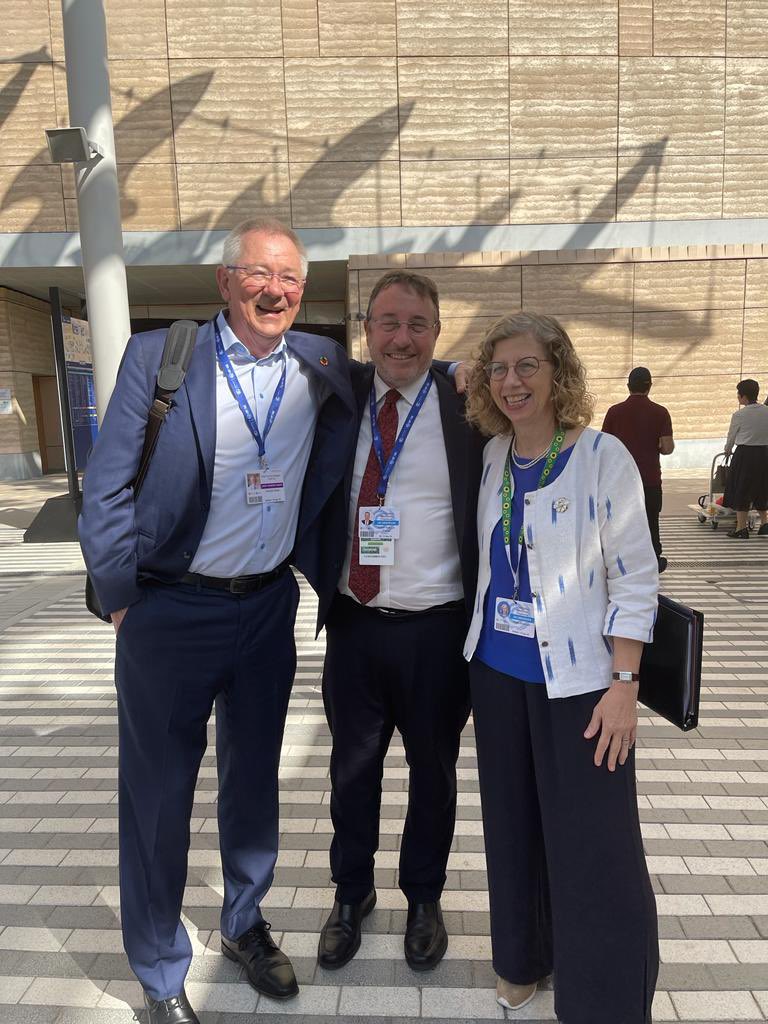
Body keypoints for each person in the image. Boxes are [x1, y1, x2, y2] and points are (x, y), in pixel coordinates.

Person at [79, 218, 356, 1024]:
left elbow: (406, 372)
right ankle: (162, 973)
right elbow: (106, 489)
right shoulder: (160, 358)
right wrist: (123, 595)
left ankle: (242, 922)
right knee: (159, 796)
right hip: (170, 609)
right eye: (260, 276)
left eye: (291, 281)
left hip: (268, 606)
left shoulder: (322, 365)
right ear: (226, 283)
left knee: (253, 784)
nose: (276, 291)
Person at [463, 313, 659, 1024]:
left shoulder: (601, 456)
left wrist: (624, 685)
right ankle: (522, 960)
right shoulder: (492, 457)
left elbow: (636, 576)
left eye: (527, 367)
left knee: (595, 847)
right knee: (511, 830)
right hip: (496, 672)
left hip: (581, 686)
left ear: (558, 373)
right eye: (498, 369)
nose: (512, 383)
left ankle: (606, 999)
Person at [314, 270, 485, 973]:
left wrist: (463, 368)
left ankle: (423, 897)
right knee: (352, 773)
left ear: (438, 334)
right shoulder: (340, 395)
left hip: (438, 632)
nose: (402, 338)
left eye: (418, 325)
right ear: (366, 330)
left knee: (433, 774)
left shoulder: (466, 403)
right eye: (388, 322)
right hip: (355, 625)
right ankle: (350, 896)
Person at [602, 366, 674, 572]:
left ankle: (621, 560)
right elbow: (667, 448)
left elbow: (605, 447)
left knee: (620, 520)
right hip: (650, 479)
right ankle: (652, 560)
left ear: (628, 386)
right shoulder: (661, 412)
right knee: (651, 519)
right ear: (649, 386)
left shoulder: (614, 412)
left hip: (620, 480)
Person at [723, 378, 768, 538]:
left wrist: (727, 450)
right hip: (764, 453)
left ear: (743, 396)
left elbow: (731, 437)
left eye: (738, 394)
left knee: (741, 489)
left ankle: (741, 529)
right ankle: (764, 523)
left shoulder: (739, 415)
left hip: (745, 455)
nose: (737, 397)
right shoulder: (766, 411)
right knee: (762, 487)